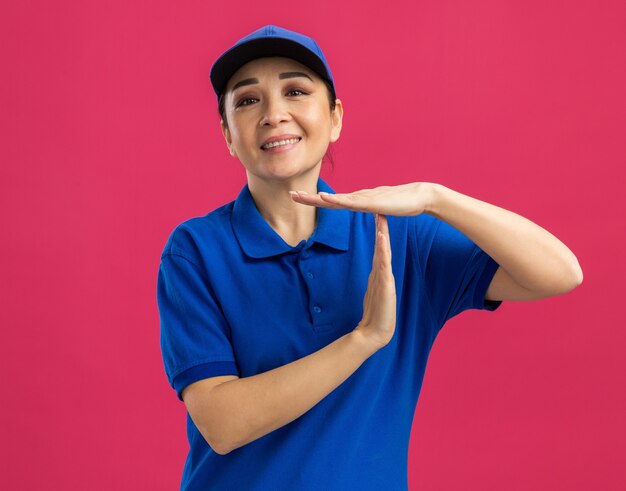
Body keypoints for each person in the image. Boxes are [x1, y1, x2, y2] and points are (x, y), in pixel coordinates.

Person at [156, 25, 583, 491]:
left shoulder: (400, 237)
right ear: (228, 135)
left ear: (335, 117)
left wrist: (435, 197)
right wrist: (363, 339)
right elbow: (222, 423)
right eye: (247, 100)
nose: (274, 114)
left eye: (296, 91)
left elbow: (560, 273)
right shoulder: (195, 250)